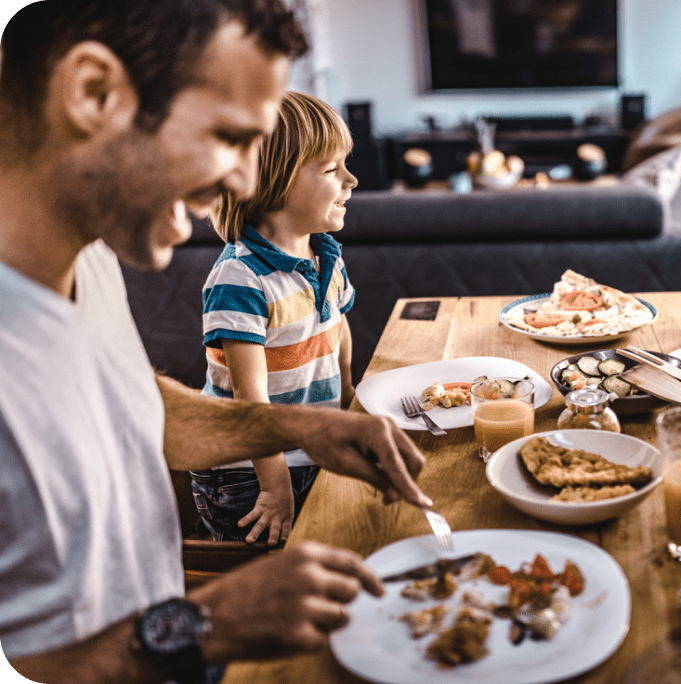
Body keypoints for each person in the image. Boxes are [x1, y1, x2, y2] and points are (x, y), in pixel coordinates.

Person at [0, 1, 433, 682]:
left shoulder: (88, 257)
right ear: (92, 93)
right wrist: (213, 623)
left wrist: (300, 424)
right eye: (230, 136)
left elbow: (138, 409)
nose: (241, 179)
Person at [193, 91, 359, 546]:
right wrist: (275, 485)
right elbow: (251, 397)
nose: (352, 180)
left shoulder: (324, 253)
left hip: (308, 451)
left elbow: (336, 327)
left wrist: (348, 399)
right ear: (275, 181)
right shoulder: (241, 277)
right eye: (331, 170)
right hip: (250, 474)